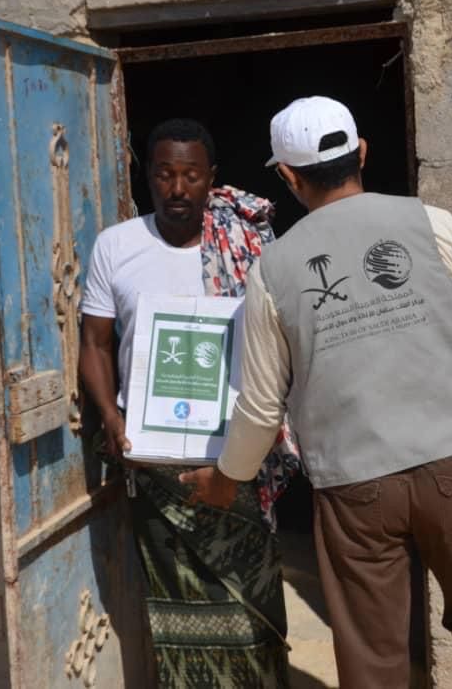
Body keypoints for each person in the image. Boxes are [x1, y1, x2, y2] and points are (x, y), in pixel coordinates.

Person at [181, 97, 452, 688]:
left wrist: (224, 479)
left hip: (356, 487)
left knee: (373, 654)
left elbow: (262, 407)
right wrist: (434, 382)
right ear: (361, 152)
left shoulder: (274, 268)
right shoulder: (433, 223)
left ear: (288, 177)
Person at [78, 118, 299, 688]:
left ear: (211, 180)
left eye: (191, 176)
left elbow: (282, 347)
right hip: (152, 462)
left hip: (236, 457)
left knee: (249, 603)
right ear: (147, 177)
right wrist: (110, 415)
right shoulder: (116, 246)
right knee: (174, 608)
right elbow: (96, 344)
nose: (178, 188)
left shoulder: (247, 248)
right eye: (165, 174)